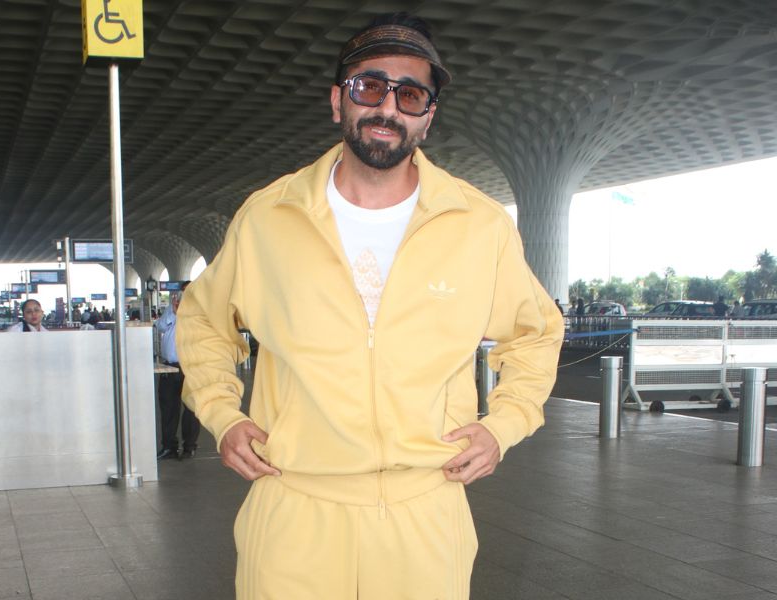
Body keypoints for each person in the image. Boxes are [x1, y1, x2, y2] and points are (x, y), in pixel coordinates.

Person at [177, 12, 563, 599]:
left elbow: (536, 333)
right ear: (338, 101)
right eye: (370, 87)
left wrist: (503, 426)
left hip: (424, 510)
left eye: (410, 95)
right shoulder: (268, 217)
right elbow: (204, 320)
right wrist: (223, 415)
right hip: (294, 506)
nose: (388, 108)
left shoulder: (479, 225)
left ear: (427, 117)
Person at [155, 289, 200, 460]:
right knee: (168, 409)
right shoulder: (171, 309)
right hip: (169, 367)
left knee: (191, 409)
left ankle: (189, 446)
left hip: (191, 367)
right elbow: (160, 326)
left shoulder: (200, 310)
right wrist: (173, 313)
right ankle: (169, 447)